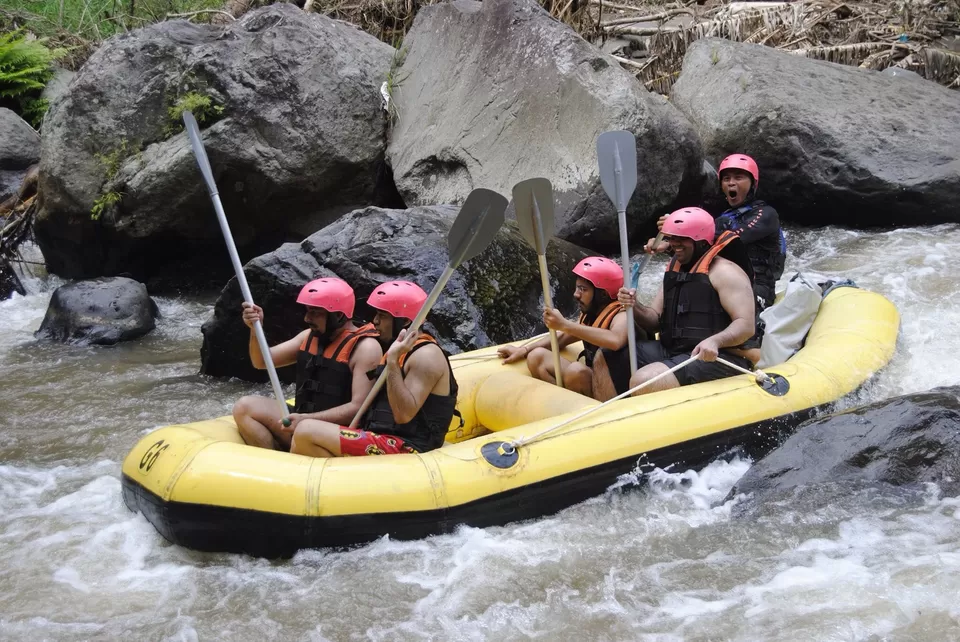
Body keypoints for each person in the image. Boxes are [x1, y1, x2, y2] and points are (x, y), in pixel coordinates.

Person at [593, 208, 756, 399]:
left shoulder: (726, 273)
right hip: (674, 350)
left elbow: (746, 326)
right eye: (672, 238)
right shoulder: (674, 268)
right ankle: (609, 422)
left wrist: (715, 340)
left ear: (701, 241)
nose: (674, 244)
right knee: (604, 357)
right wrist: (634, 305)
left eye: (682, 239)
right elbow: (653, 320)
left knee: (645, 379)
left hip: (716, 357)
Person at [290, 280, 460, 457]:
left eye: (382, 315)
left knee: (306, 429)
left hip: (408, 448)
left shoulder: (426, 355)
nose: (375, 321)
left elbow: (403, 415)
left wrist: (393, 363)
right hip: (378, 437)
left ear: (404, 321)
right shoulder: (396, 347)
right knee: (304, 434)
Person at [647, 154, 786, 349]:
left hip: (758, 284)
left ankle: (745, 350)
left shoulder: (766, 215)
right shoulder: (722, 218)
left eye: (739, 177)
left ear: (753, 183)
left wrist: (682, 230)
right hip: (724, 280)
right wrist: (671, 240)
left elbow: (730, 239)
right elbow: (699, 249)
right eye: (727, 179)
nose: (731, 184)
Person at [232, 277, 382, 451]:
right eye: (307, 311)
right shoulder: (308, 337)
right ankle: (275, 462)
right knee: (244, 407)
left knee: (306, 429)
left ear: (338, 315)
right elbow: (261, 362)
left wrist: (307, 420)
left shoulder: (366, 348)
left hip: (336, 431)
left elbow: (358, 408)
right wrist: (254, 328)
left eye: (315, 312)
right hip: (303, 420)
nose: (307, 318)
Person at [497, 257, 628, 398]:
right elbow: (563, 338)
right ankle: (563, 404)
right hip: (594, 378)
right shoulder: (592, 314)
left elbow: (615, 340)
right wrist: (524, 350)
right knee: (537, 357)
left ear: (602, 295)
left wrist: (564, 324)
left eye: (583, 289)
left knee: (576, 371)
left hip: (614, 388)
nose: (576, 294)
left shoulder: (622, 314)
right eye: (577, 288)